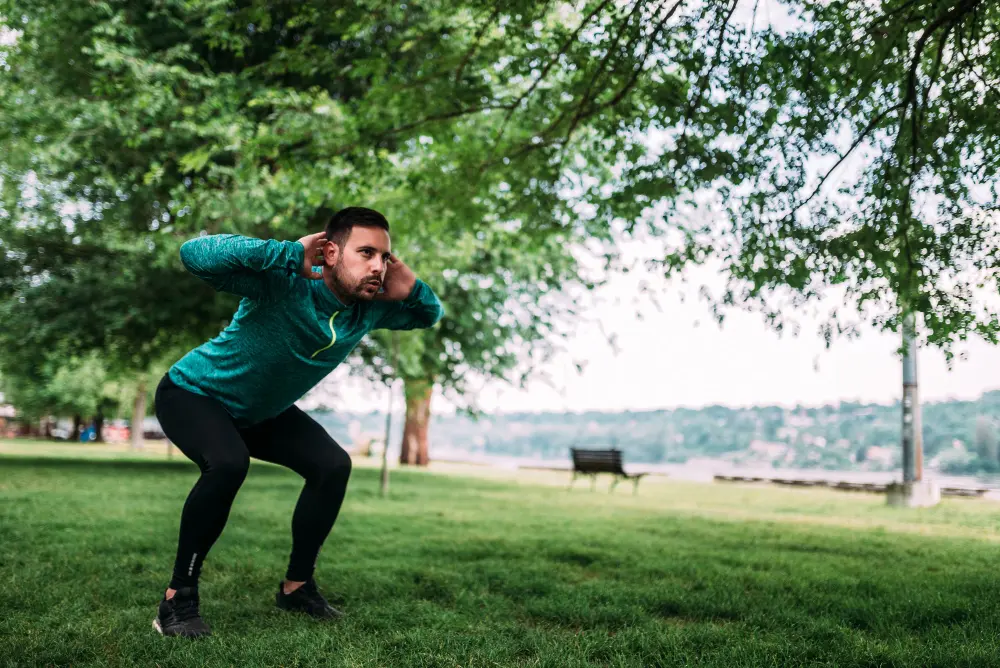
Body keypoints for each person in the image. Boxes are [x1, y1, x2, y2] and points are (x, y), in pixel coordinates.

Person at [152, 207, 443, 638]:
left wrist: (414, 288)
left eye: (385, 256)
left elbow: (427, 315)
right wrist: (286, 253)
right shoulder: (283, 281)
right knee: (229, 464)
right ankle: (177, 600)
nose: (378, 266)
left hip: (257, 413)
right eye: (366, 253)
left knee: (332, 466)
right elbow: (195, 254)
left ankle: (297, 586)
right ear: (329, 251)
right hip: (193, 394)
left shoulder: (369, 309)